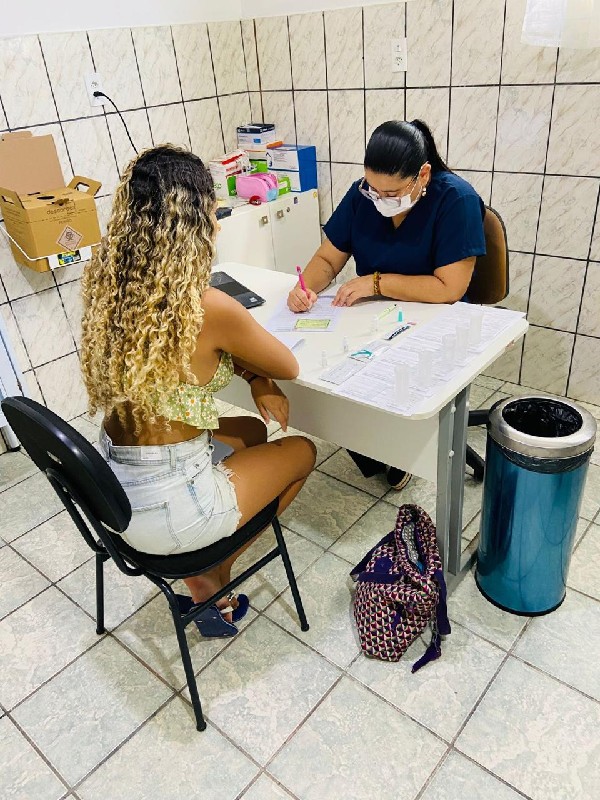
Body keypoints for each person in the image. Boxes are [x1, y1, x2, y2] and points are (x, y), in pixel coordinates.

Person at [81, 145, 316, 638]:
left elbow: (200, 365)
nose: (218, 226)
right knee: (302, 451)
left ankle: (208, 566)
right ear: (190, 227)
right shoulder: (207, 305)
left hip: (113, 493)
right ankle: (214, 573)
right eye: (212, 213)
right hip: (171, 511)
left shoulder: (113, 290)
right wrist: (263, 375)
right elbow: (289, 365)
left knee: (252, 432)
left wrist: (255, 380)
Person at [287, 119, 486, 490]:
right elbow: (328, 258)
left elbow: (449, 288)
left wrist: (375, 282)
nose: (379, 198)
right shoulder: (362, 196)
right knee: (333, 372)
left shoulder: (456, 200)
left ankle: (400, 449)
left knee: (390, 379)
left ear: (423, 175)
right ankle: (378, 448)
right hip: (376, 315)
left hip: (435, 318)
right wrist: (303, 288)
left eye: (391, 192)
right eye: (372, 188)